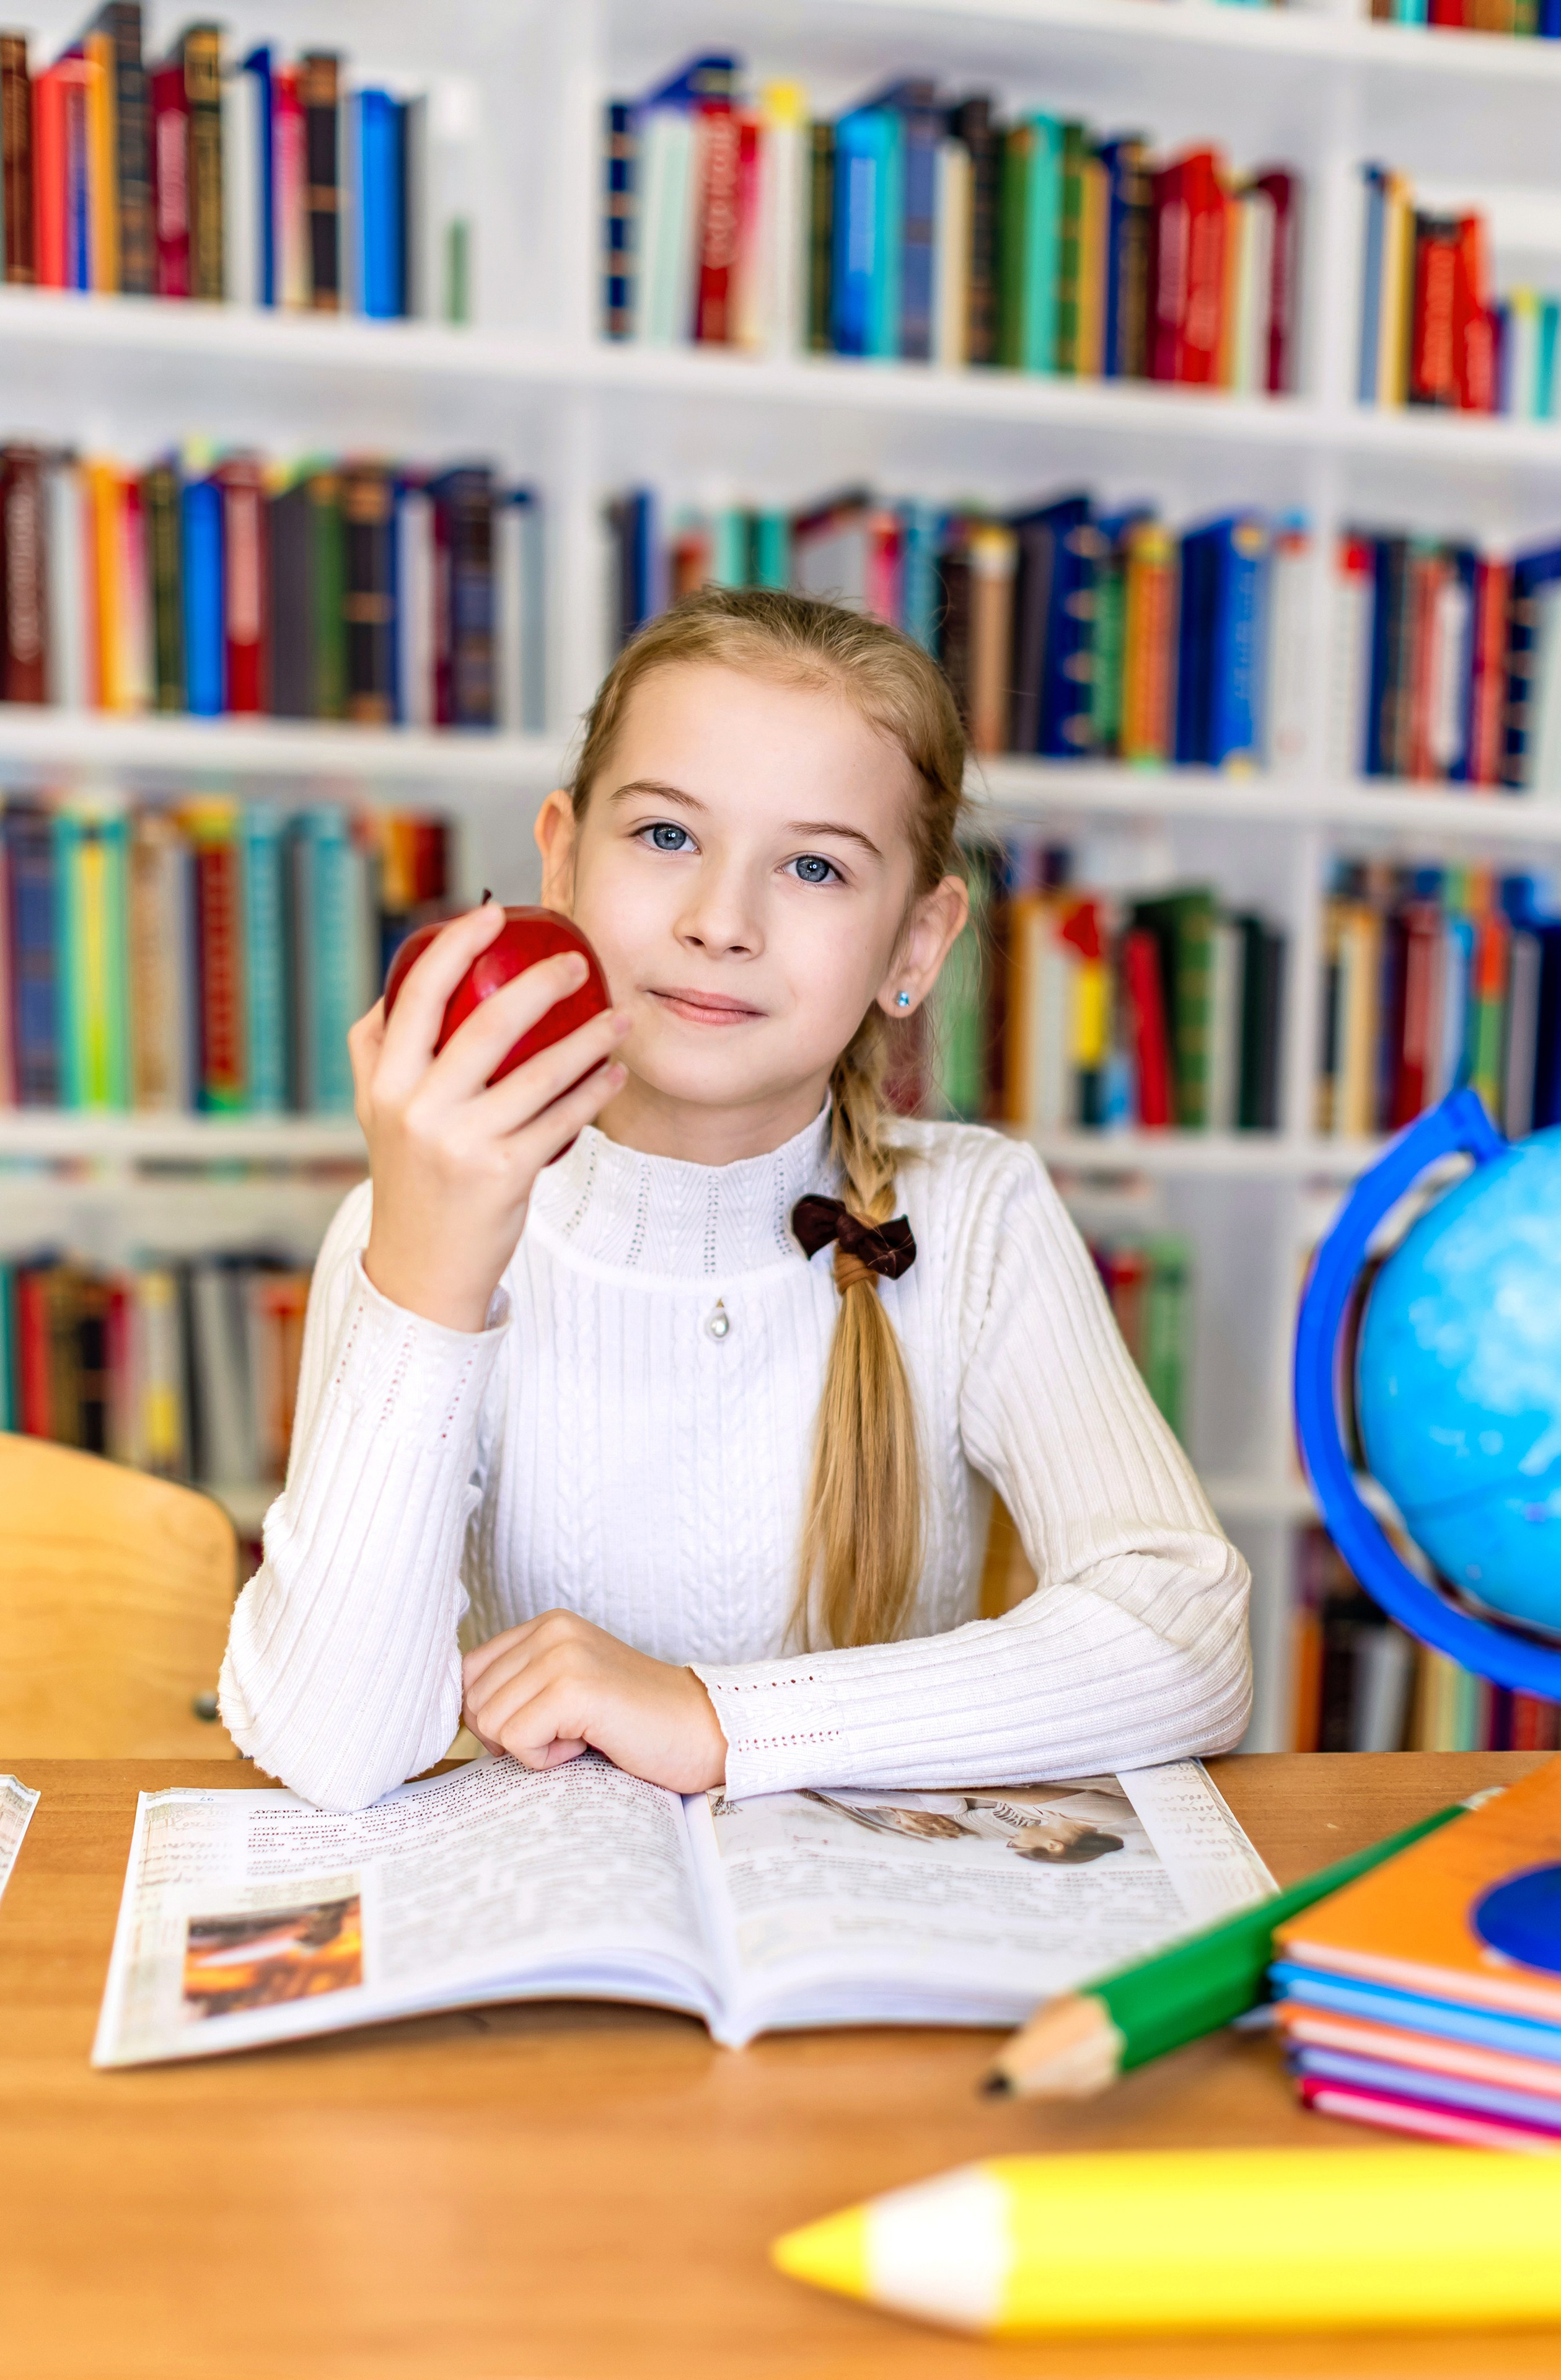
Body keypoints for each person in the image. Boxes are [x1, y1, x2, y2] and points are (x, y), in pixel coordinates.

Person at [220, 588, 1252, 1812]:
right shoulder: (411, 1224)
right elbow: (333, 1750)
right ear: (561, 859)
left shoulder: (976, 1216)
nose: (720, 922)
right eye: (666, 835)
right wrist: (427, 1282)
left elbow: (1185, 1640)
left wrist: (716, 1716)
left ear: (915, 946)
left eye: (814, 866)